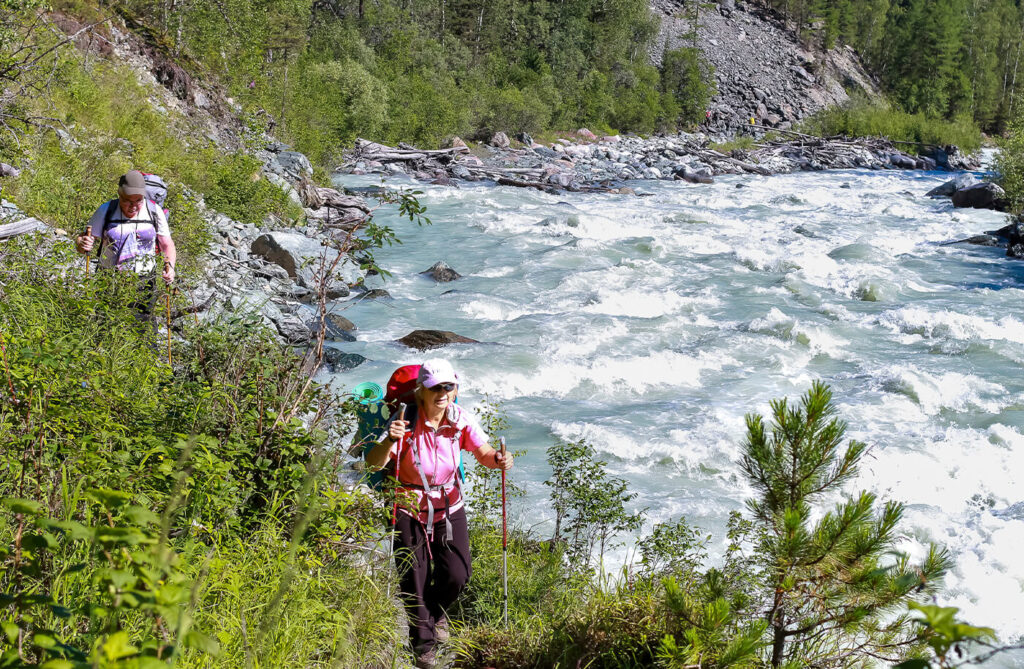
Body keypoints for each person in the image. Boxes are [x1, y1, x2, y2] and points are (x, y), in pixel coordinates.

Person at [365, 359, 513, 668]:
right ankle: (423, 647)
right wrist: (391, 439)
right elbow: (374, 463)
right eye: (435, 387)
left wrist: (498, 459)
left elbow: (483, 452)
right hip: (407, 505)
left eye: (449, 386)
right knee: (413, 578)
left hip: (449, 504)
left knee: (458, 574)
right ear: (421, 392)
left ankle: (432, 616)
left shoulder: (459, 419)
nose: (443, 393)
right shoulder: (403, 422)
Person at [75, 170, 176, 284]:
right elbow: (81, 244)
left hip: (145, 281)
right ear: (119, 194)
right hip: (108, 278)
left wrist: (171, 268)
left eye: (138, 201)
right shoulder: (106, 210)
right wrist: (82, 243)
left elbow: (166, 244)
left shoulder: (154, 210)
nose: (133, 206)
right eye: (127, 201)